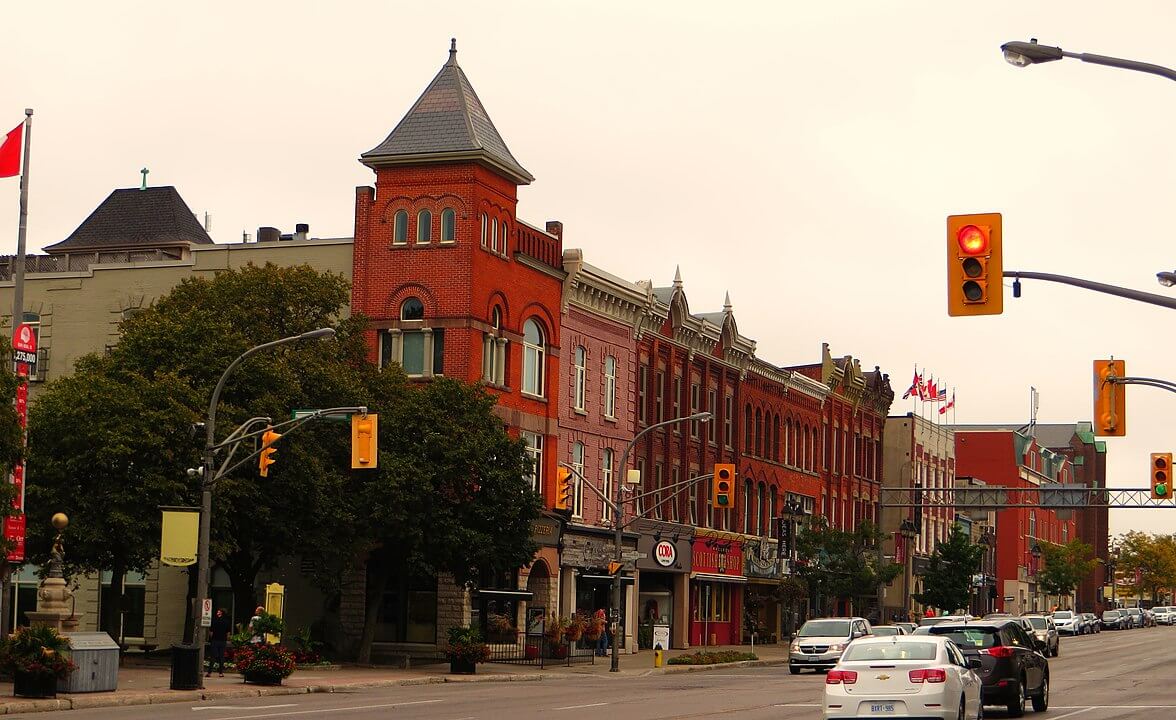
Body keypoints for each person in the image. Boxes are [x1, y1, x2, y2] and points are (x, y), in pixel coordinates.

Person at [207, 608, 232, 677]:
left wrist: (212, 638)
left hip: (215, 640)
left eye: (218, 612)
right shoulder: (227, 621)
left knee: (213, 656)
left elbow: (211, 631)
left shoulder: (215, 620)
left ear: (221, 613)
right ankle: (220, 673)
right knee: (221, 656)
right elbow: (228, 632)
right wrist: (226, 639)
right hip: (223, 640)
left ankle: (209, 672)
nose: (217, 613)